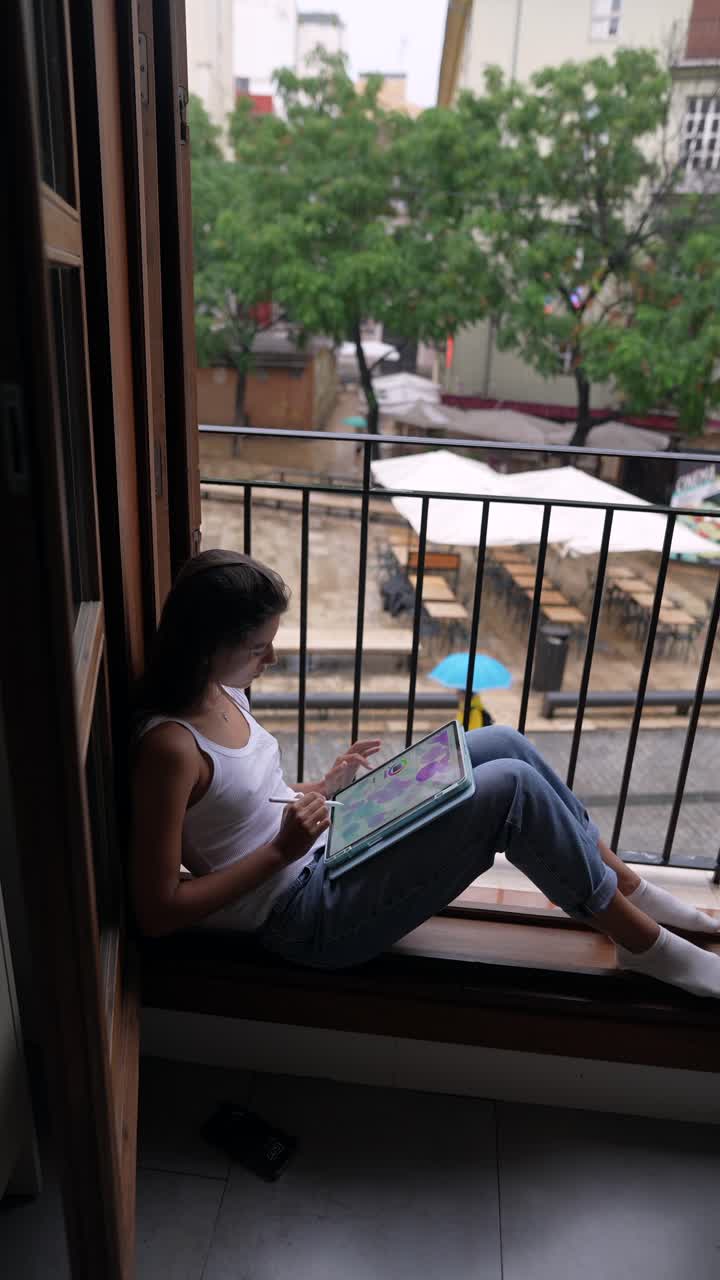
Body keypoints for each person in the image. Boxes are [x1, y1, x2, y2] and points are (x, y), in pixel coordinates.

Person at [129, 549, 720, 999]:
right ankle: (641, 943)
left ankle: (625, 886)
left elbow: (249, 801)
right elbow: (158, 912)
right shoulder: (171, 750)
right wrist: (282, 852)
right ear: (208, 647)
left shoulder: (224, 690)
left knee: (501, 742)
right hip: (305, 915)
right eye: (260, 648)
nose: (272, 659)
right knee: (510, 791)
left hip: (336, 841)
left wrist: (322, 788)